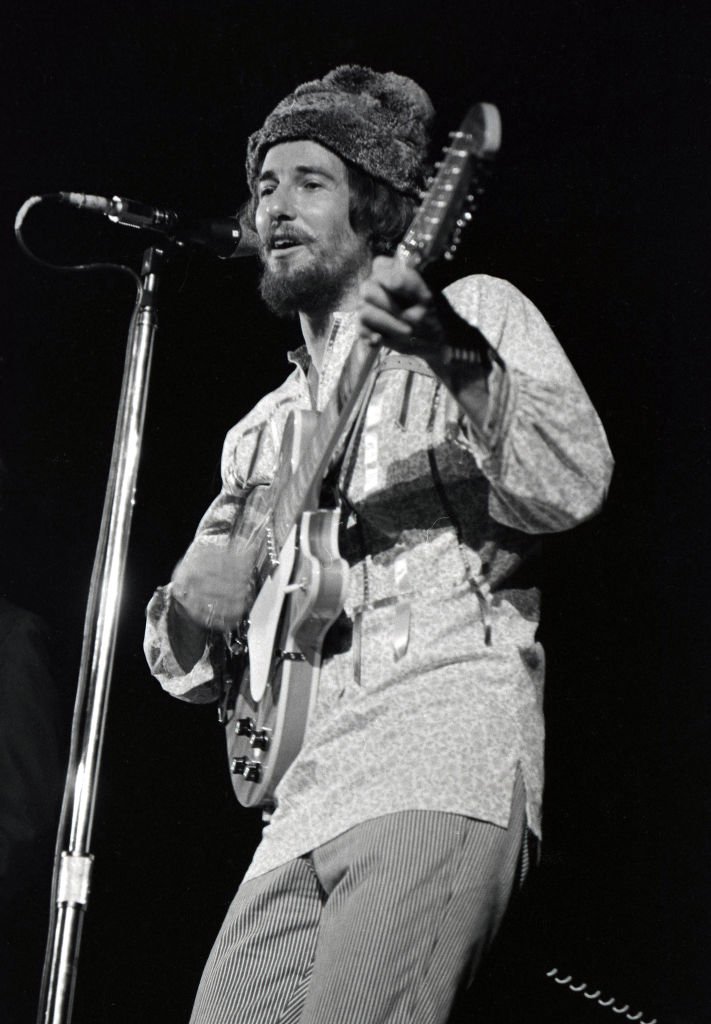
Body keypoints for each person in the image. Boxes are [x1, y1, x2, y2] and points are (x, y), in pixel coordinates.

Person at [144, 65, 613, 1024]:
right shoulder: (260, 432)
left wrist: (450, 352)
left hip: (437, 751)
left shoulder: (476, 311)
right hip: (298, 796)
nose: (274, 205)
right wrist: (193, 605)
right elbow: (188, 664)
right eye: (265, 184)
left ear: (383, 209)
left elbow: (570, 484)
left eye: (310, 181)